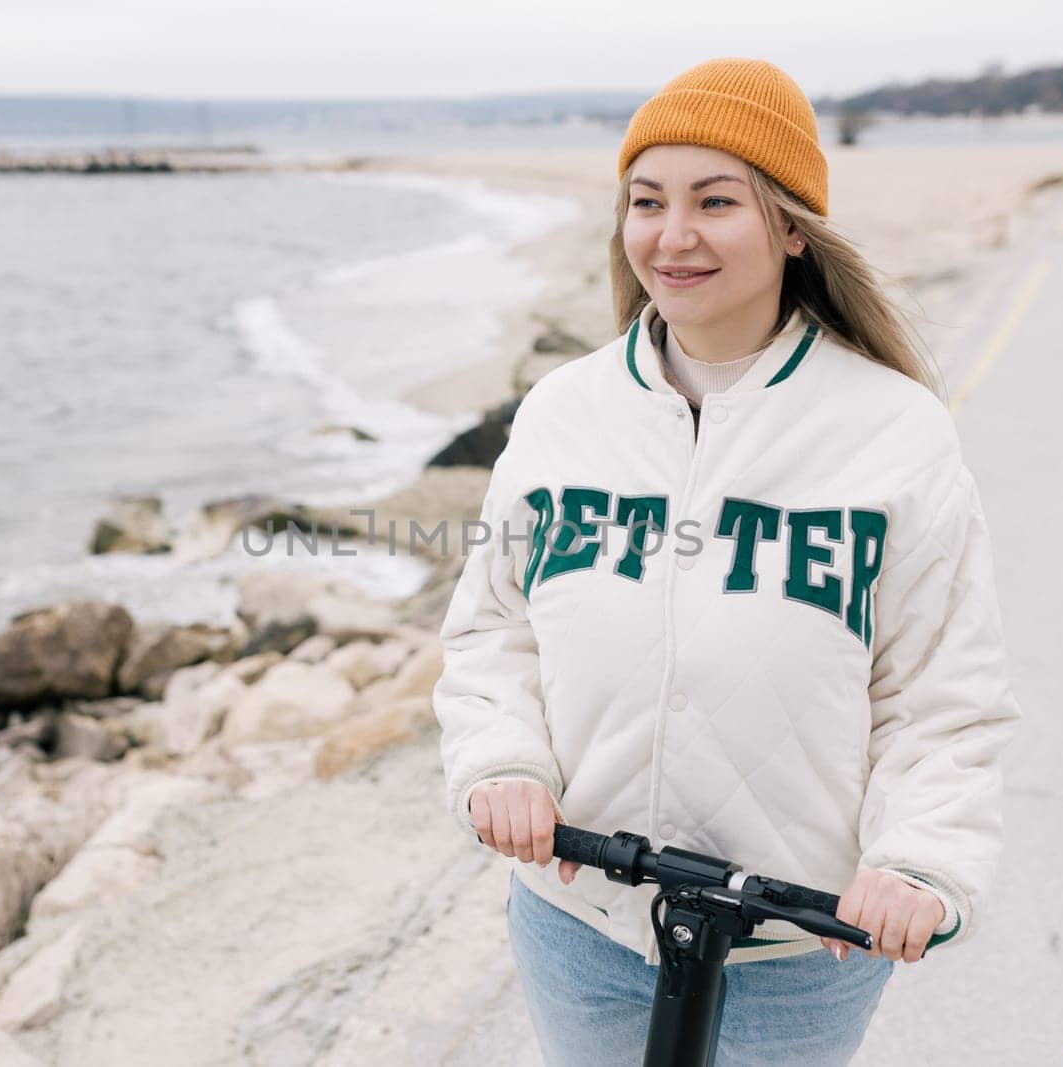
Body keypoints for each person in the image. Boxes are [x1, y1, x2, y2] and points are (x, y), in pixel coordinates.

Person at [433, 57, 1022, 1066]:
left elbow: (940, 693)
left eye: (716, 201)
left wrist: (919, 859)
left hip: (790, 953)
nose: (672, 235)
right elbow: (494, 625)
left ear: (792, 227)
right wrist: (502, 762)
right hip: (580, 920)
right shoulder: (564, 413)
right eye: (647, 201)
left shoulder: (892, 430)